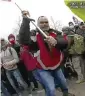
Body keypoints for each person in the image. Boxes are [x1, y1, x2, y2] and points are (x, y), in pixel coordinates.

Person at [19, 11, 75, 96]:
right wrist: (25, 21)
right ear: (37, 24)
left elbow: (64, 42)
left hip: (56, 65)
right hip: (42, 68)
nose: (44, 24)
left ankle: (66, 93)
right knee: (51, 88)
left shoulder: (55, 33)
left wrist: (56, 41)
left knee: (63, 83)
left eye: (46, 22)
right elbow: (23, 40)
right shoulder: (34, 35)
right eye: (41, 22)